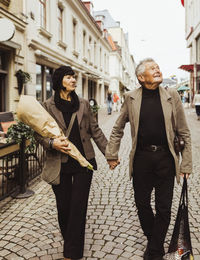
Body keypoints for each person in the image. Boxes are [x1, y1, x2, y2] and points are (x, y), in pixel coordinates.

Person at [105, 58, 192, 260]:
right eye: (152, 68)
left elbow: (184, 132)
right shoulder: (131, 97)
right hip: (142, 158)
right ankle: (156, 240)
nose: (158, 70)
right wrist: (112, 154)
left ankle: (153, 251)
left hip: (166, 159)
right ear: (141, 77)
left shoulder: (172, 96)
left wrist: (186, 162)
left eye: (158, 67)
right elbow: (118, 128)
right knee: (142, 203)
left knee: (164, 208)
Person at [35, 66, 108, 260]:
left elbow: (95, 130)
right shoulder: (47, 106)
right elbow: (38, 134)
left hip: (84, 162)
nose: (74, 80)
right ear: (59, 81)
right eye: (69, 77)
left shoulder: (83, 103)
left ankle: (71, 254)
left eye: (74, 77)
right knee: (64, 208)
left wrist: (110, 154)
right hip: (60, 164)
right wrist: (52, 143)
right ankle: (71, 242)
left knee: (78, 207)